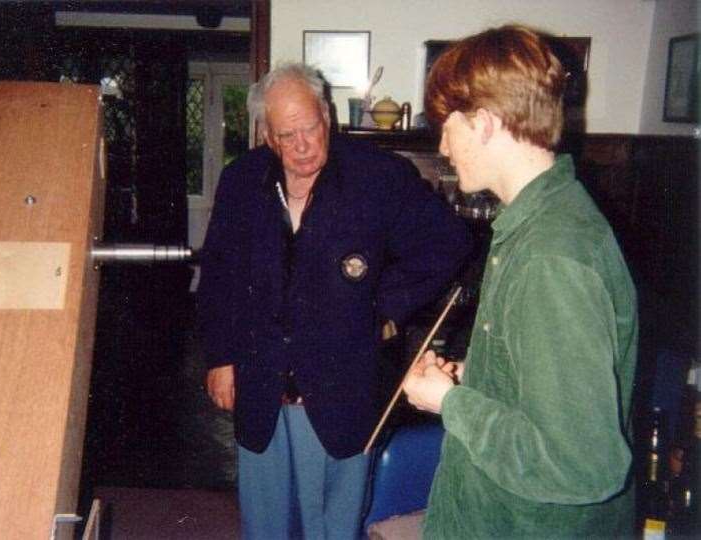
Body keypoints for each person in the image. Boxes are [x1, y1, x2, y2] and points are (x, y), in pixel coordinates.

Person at [197, 62, 470, 539]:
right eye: (287, 135)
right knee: (265, 526)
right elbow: (219, 272)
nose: (302, 145)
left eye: (311, 128)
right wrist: (220, 357)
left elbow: (448, 243)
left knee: (332, 527)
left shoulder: (380, 176)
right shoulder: (241, 181)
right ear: (266, 134)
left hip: (340, 387)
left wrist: (384, 306)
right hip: (259, 383)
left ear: (327, 116)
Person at [402, 25, 638, 538]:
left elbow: (582, 464)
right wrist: (475, 375)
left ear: (484, 123)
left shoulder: (550, 257)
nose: (442, 145)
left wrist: (449, 402)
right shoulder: (534, 224)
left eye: (447, 125)